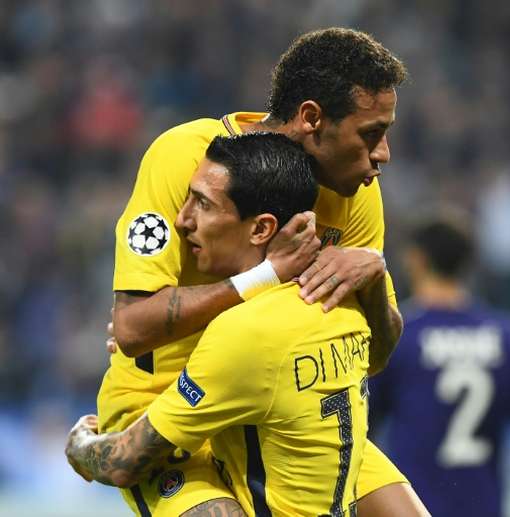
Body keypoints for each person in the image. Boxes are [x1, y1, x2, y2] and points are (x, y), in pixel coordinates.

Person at [93, 28, 427, 516]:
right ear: (311, 118)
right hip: (165, 409)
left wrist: (374, 276)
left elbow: (373, 356)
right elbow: (132, 328)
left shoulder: (356, 194)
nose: (383, 154)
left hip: (287, 411)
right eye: (370, 134)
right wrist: (268, 276)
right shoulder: (189, 160)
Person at [67, 132, 372, 516]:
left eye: (203, 203)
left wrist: (80, 447)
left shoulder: (244, 334)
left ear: (260, 229)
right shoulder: (346, 306)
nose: (182, 219)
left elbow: (124, 461)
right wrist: (375, 271)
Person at [369, 215, 510, 517]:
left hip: (413, 508)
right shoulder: (508, 336)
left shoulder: (397, 335)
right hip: (484, 507)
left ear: (417, 259)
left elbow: (362, 431)